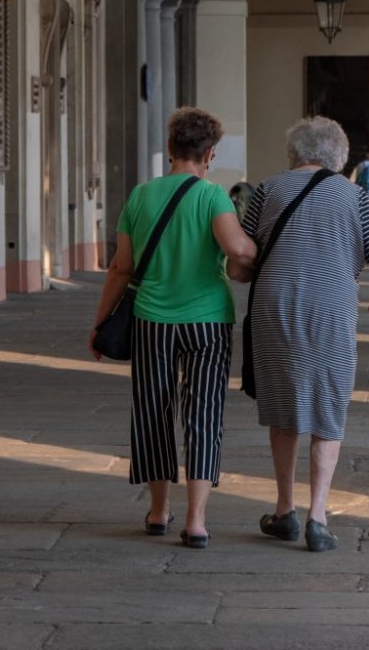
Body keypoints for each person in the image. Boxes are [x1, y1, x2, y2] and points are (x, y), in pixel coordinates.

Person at [89, 107, 257, 549]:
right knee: (203, 415)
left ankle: (160, 511)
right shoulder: (212, 196)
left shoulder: (141, 196)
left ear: (170, 150)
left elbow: (120, 269)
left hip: (152, 320)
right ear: (210, 153)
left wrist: (99, 322)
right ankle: (197, 520)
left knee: (153, 412)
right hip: (207, 323)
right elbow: (237, 248)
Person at [237, 116, 369, 552]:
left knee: (283, 401)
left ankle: (285, 509)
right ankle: (318, 518)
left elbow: (243, 258)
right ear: (339, 156)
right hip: (331, 308)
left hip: (275, 306)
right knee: (328, 403)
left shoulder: (268, 189)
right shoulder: (355, 196)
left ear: (294, 153)